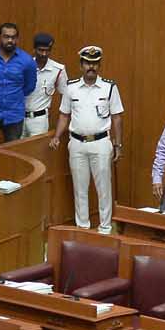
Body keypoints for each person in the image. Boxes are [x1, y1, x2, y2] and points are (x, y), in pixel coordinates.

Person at [51, 46, 126, 234]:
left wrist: (118, 144)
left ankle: (105, 228)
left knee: (104, 188)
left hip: (101, 143)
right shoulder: (71, 87)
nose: (91, 66)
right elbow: (63, 115)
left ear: (99, 65)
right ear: (81, 65)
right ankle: (82, 228)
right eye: (87, 63)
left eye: (94, 63)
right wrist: (57, 136)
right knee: (80, 188)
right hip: (76, 143)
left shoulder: (109, 87)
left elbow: (117, 117)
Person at [25, 33, 67, 138]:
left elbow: (66, 95)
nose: (44, 54)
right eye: (40, 50)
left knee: (35, 152)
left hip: (39, 120)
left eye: (47, 50)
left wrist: (63, 118)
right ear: (34, 50)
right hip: (19, 117)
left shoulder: (58, 70)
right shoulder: (24, 66)